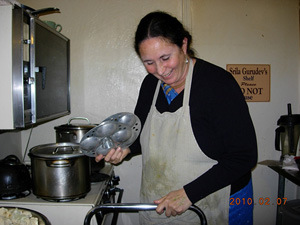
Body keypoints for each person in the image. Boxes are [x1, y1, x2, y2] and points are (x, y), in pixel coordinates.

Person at [96, 11, 257, 225]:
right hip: (163, 200)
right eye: (149, 62)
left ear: (183, 45)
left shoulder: (218, 84)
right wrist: (125, 148)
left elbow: (244, 156)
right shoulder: (150, 85)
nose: (160, 70)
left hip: (222, 199)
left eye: (165, 58)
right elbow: (143, 134)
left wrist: (189, 194)